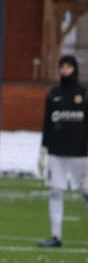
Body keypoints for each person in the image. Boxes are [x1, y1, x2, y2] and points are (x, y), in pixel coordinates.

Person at [38, 54, 88, 248]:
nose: (65, 70)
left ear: (74, 69)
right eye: (62, 67)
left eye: (68, 67)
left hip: (80, 154)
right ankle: (55, 236)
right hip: (56, 153)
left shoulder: (83, 94)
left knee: (85, 192)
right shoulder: (53, 94)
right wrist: (43, 149)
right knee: (55, 192)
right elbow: (47, 123)